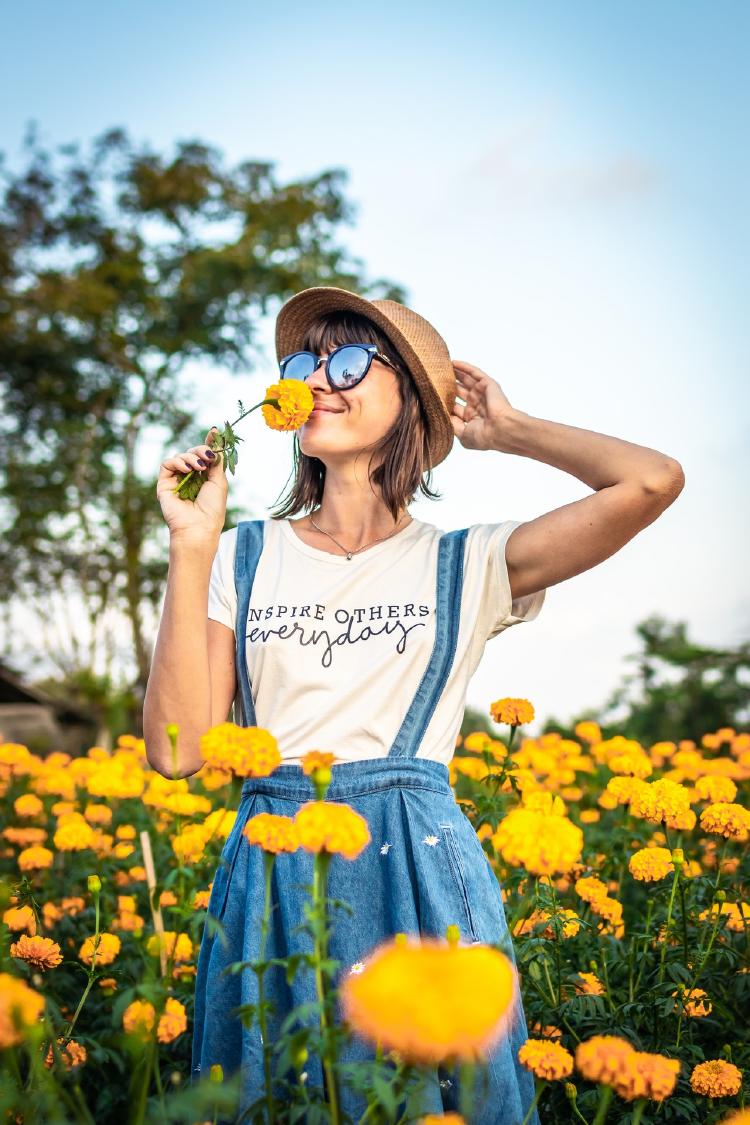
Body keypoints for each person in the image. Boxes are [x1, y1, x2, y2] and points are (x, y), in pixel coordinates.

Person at [144, 286, 685, 1123]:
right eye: (302, 363)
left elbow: (651, 480)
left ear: (412, 404)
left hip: (417, 866)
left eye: (350, 360)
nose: (319, 379)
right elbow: (178, 750)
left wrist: (508, 432)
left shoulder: (467, 562)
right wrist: (190, 544)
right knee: (275, 1095)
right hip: (274, 862)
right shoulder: (239, 553)